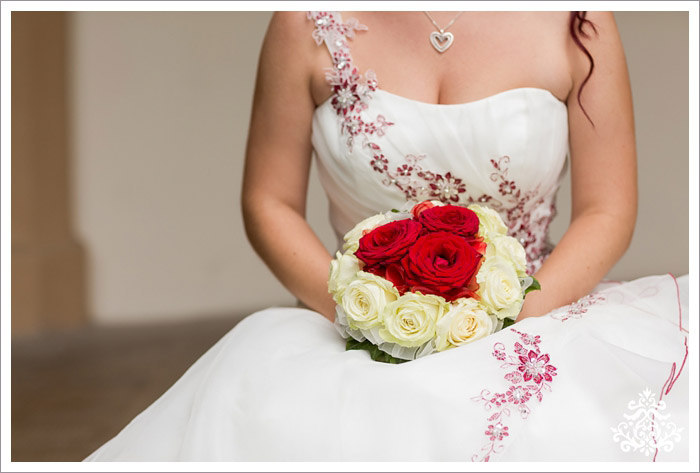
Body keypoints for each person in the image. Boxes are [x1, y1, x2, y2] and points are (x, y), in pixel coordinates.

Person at [84, 11, 688, 462]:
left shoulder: (579, 20)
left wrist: (507, 315)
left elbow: (608, 208)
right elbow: (268, 202)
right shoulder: (307, 22)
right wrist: (363, 315)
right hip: (354, 326)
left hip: (536, 314)